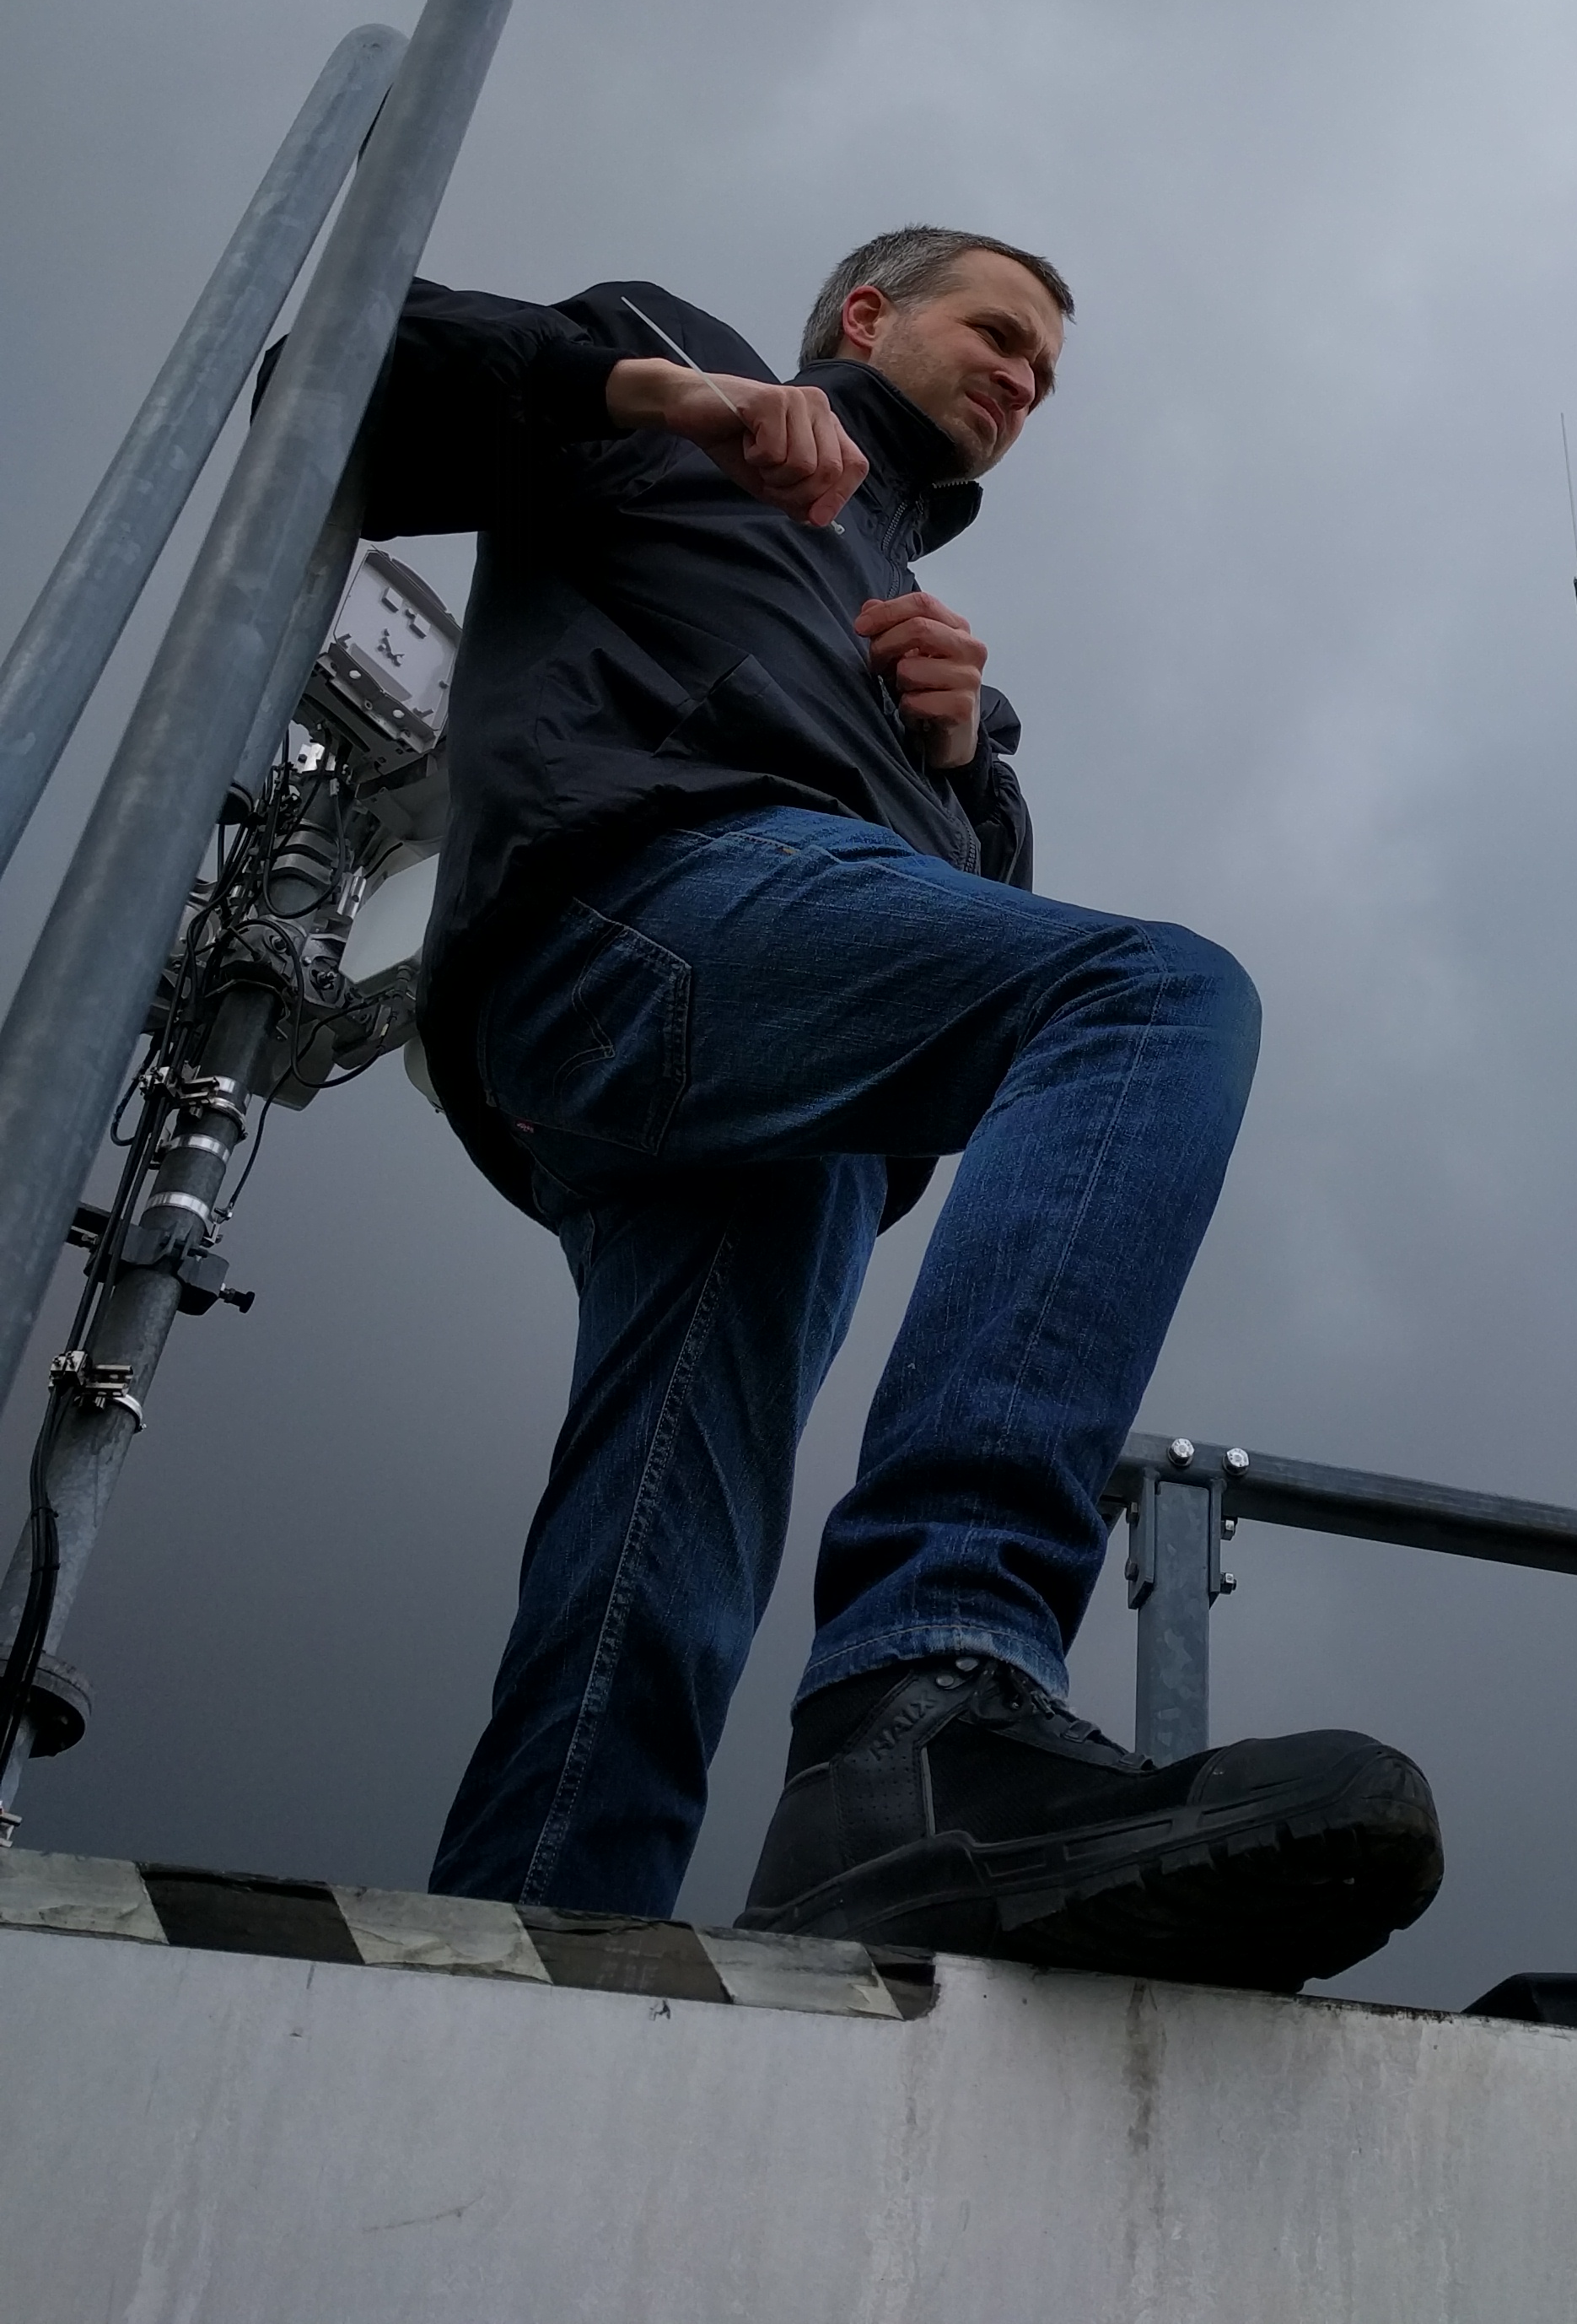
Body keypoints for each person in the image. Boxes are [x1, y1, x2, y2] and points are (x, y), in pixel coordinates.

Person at [362, 225, 1440, 1987]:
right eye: (998, 331)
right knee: (1152, 996)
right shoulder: (670, 368)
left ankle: (535, 1949)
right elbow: (349, 375)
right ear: (870, 315)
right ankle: (933, 1680)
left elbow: (970, 917)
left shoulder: (938, 664)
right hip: (639, 909)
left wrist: (962, 767)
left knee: (664, 1544)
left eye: (1048, 374)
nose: (1024, 378)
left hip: (793, 1111)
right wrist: (665, 392)